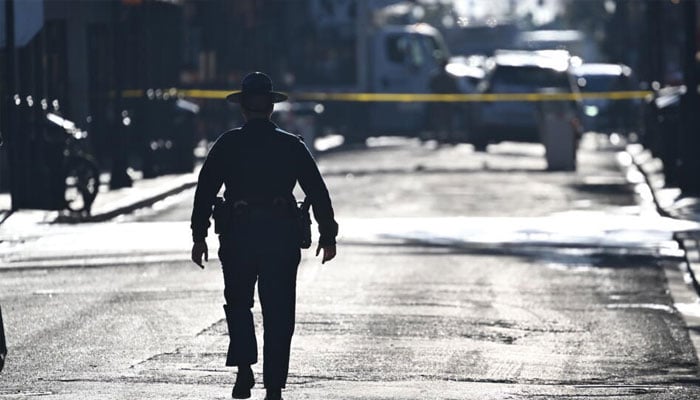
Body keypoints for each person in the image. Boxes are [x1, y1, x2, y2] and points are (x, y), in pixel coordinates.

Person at [190, 72, 338, 400]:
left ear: (242, 109)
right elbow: (317, 190)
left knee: (240, 304)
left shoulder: (227, 144)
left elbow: (205, 191)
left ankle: (244, 371)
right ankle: (273, 386)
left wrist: (199, 235)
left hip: (239, 235)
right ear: (271, 108)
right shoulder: (290, 145)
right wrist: (328, 234)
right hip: (280, 236)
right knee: (279, 312)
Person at [428, 59, 460, 143]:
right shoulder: (449, 77)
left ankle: (441, 137)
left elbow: (431, 87)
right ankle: (447, 137)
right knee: (445, 120)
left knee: (442, 120)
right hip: (444, 102)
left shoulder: (436, 76)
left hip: (441, 101)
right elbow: (455, 89)